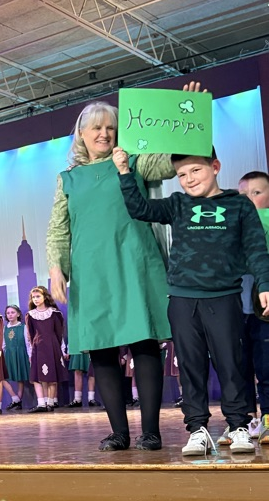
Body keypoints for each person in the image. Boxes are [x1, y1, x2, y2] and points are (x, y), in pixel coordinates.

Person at [46, 91, 205, 452]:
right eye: (97, 128)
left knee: (144, 344)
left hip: (135, 262)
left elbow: (172, 162)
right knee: (101, 350)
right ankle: (119, 432)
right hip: (91, 271)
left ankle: (151, 431)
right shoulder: (67, 179)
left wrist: (189, 115)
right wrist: (56, 268)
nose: (105, 134)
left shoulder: (134, 161)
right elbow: (58, 228)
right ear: (82, 134)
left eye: (112, 128)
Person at [114, 147, 269, 456]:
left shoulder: (239, 205)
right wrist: (124, 172)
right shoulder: (178, 204)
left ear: (215, 166)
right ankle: (197, 429)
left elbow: (255, 247)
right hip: (183, 300)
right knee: (190, 368)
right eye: (182, 174)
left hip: (224, 298)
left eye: (195, 170)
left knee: (231, 364)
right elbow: (139, 209)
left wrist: (265, 283)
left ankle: (238, 425)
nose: (188, 179)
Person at [238, 170, 269, 445]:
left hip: (263, 313)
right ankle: (248, 421)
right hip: (238, 310)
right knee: (240, 369)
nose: (248, 199)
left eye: (256, 193)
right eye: (243, 195)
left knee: (266, 368)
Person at [24, 287, 65, 412]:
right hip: (38, 347)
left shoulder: (54, 313)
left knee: (52, 377)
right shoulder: (30, 315)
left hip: (52, 347)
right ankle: (41, 403)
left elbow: (59, 333)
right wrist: (30, 352)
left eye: (38, 296)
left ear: (45, 297)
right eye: (33, 297)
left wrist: (62, 349)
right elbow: (29, 335)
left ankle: (50, 402)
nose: (35, 299)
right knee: (37, 377)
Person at [2, 305, 30, 410]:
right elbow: (3, 345)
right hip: (9, 355)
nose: (10, 315)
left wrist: (29, 355)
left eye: (12, 312)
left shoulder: (23, 327)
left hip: (21, 354)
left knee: (20, 378)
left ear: (18, 314)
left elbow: (28, 343)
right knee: (2, 378)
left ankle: (18, 401)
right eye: (8, 313)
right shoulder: (5, 328)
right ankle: (15, 398)